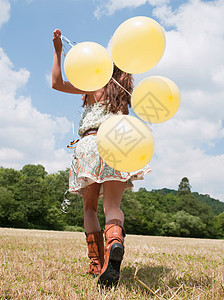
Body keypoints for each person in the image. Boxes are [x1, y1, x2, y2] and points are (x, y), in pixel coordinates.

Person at [52, 29, 151, 287]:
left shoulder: (92, 84)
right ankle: (115, 242)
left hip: (91, 143)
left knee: (89, 207)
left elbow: (56, 83)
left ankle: (97, 263)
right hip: (119, 142)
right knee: (112, 207)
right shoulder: (123, 88)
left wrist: (57, 51)